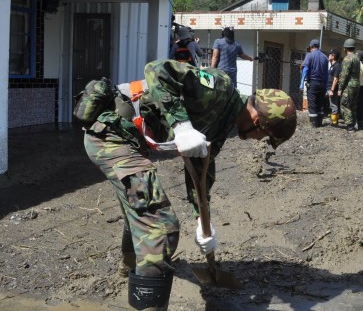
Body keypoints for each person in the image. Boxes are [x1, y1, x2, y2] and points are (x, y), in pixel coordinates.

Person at [79, 60, 297, 310]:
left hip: (128, 139)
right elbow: (156, 70)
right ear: (258, 119)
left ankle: (130, 265)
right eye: (266, 136)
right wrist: (181, 126)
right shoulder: (220, 90)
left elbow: (202, 168)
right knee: (159, 226)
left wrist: (202, 220)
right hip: (111, 133)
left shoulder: (226, 123)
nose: (260, 141)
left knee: (140, 208)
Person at [300, 39, 329, 127]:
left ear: (311, 46)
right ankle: (320, 122)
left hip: (313, 82)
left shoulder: (309, 55)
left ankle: (314, 124)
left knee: (312, 103)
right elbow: (327, 74)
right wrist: (326, 86)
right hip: (322, 84)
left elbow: (305, 69)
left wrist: (301, 84)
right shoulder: (325, 57)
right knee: (320, 103)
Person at [338, 39, 361, 132]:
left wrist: (340, 88)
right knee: (353, 105)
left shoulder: (347, 58)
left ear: (345, 48)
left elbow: (344, 74)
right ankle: (354, 124)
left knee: (344, 104)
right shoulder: (356, 58)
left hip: (349, 85)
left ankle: (350, 125)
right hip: (356, 84)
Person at [327, 49, 342, 126]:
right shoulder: (332, 66)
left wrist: (332, 90)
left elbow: (336, 79)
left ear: (333, 56)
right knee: (331, 104)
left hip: (333, 89)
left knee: (334, 105)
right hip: (329, 88)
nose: (328, 55)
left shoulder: (337, 66)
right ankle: (334, 121)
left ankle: (334, 123)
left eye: (330, 54)